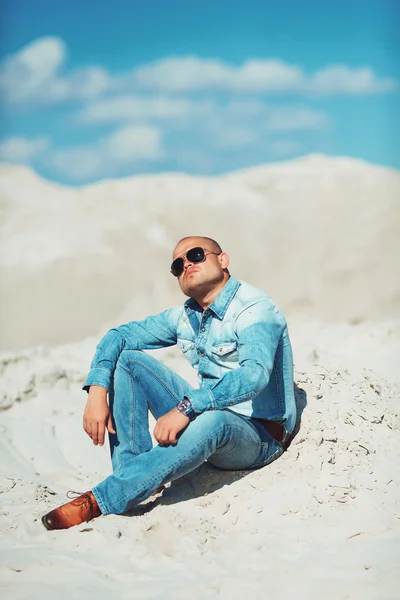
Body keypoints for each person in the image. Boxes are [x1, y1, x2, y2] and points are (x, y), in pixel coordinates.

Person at [42, 236, 296, 530]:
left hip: (259, 436)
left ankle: (102, 500)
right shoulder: (185, 317)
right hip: (206, 416)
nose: (187, 264)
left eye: (197, 255)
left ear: (223, 260)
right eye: (178, 264)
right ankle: (133, 476)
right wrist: (96, 390)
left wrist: (188, 407)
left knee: (214, 421)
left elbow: (254, 376)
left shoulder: (254, 309)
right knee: (127, 360)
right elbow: (119, 336)